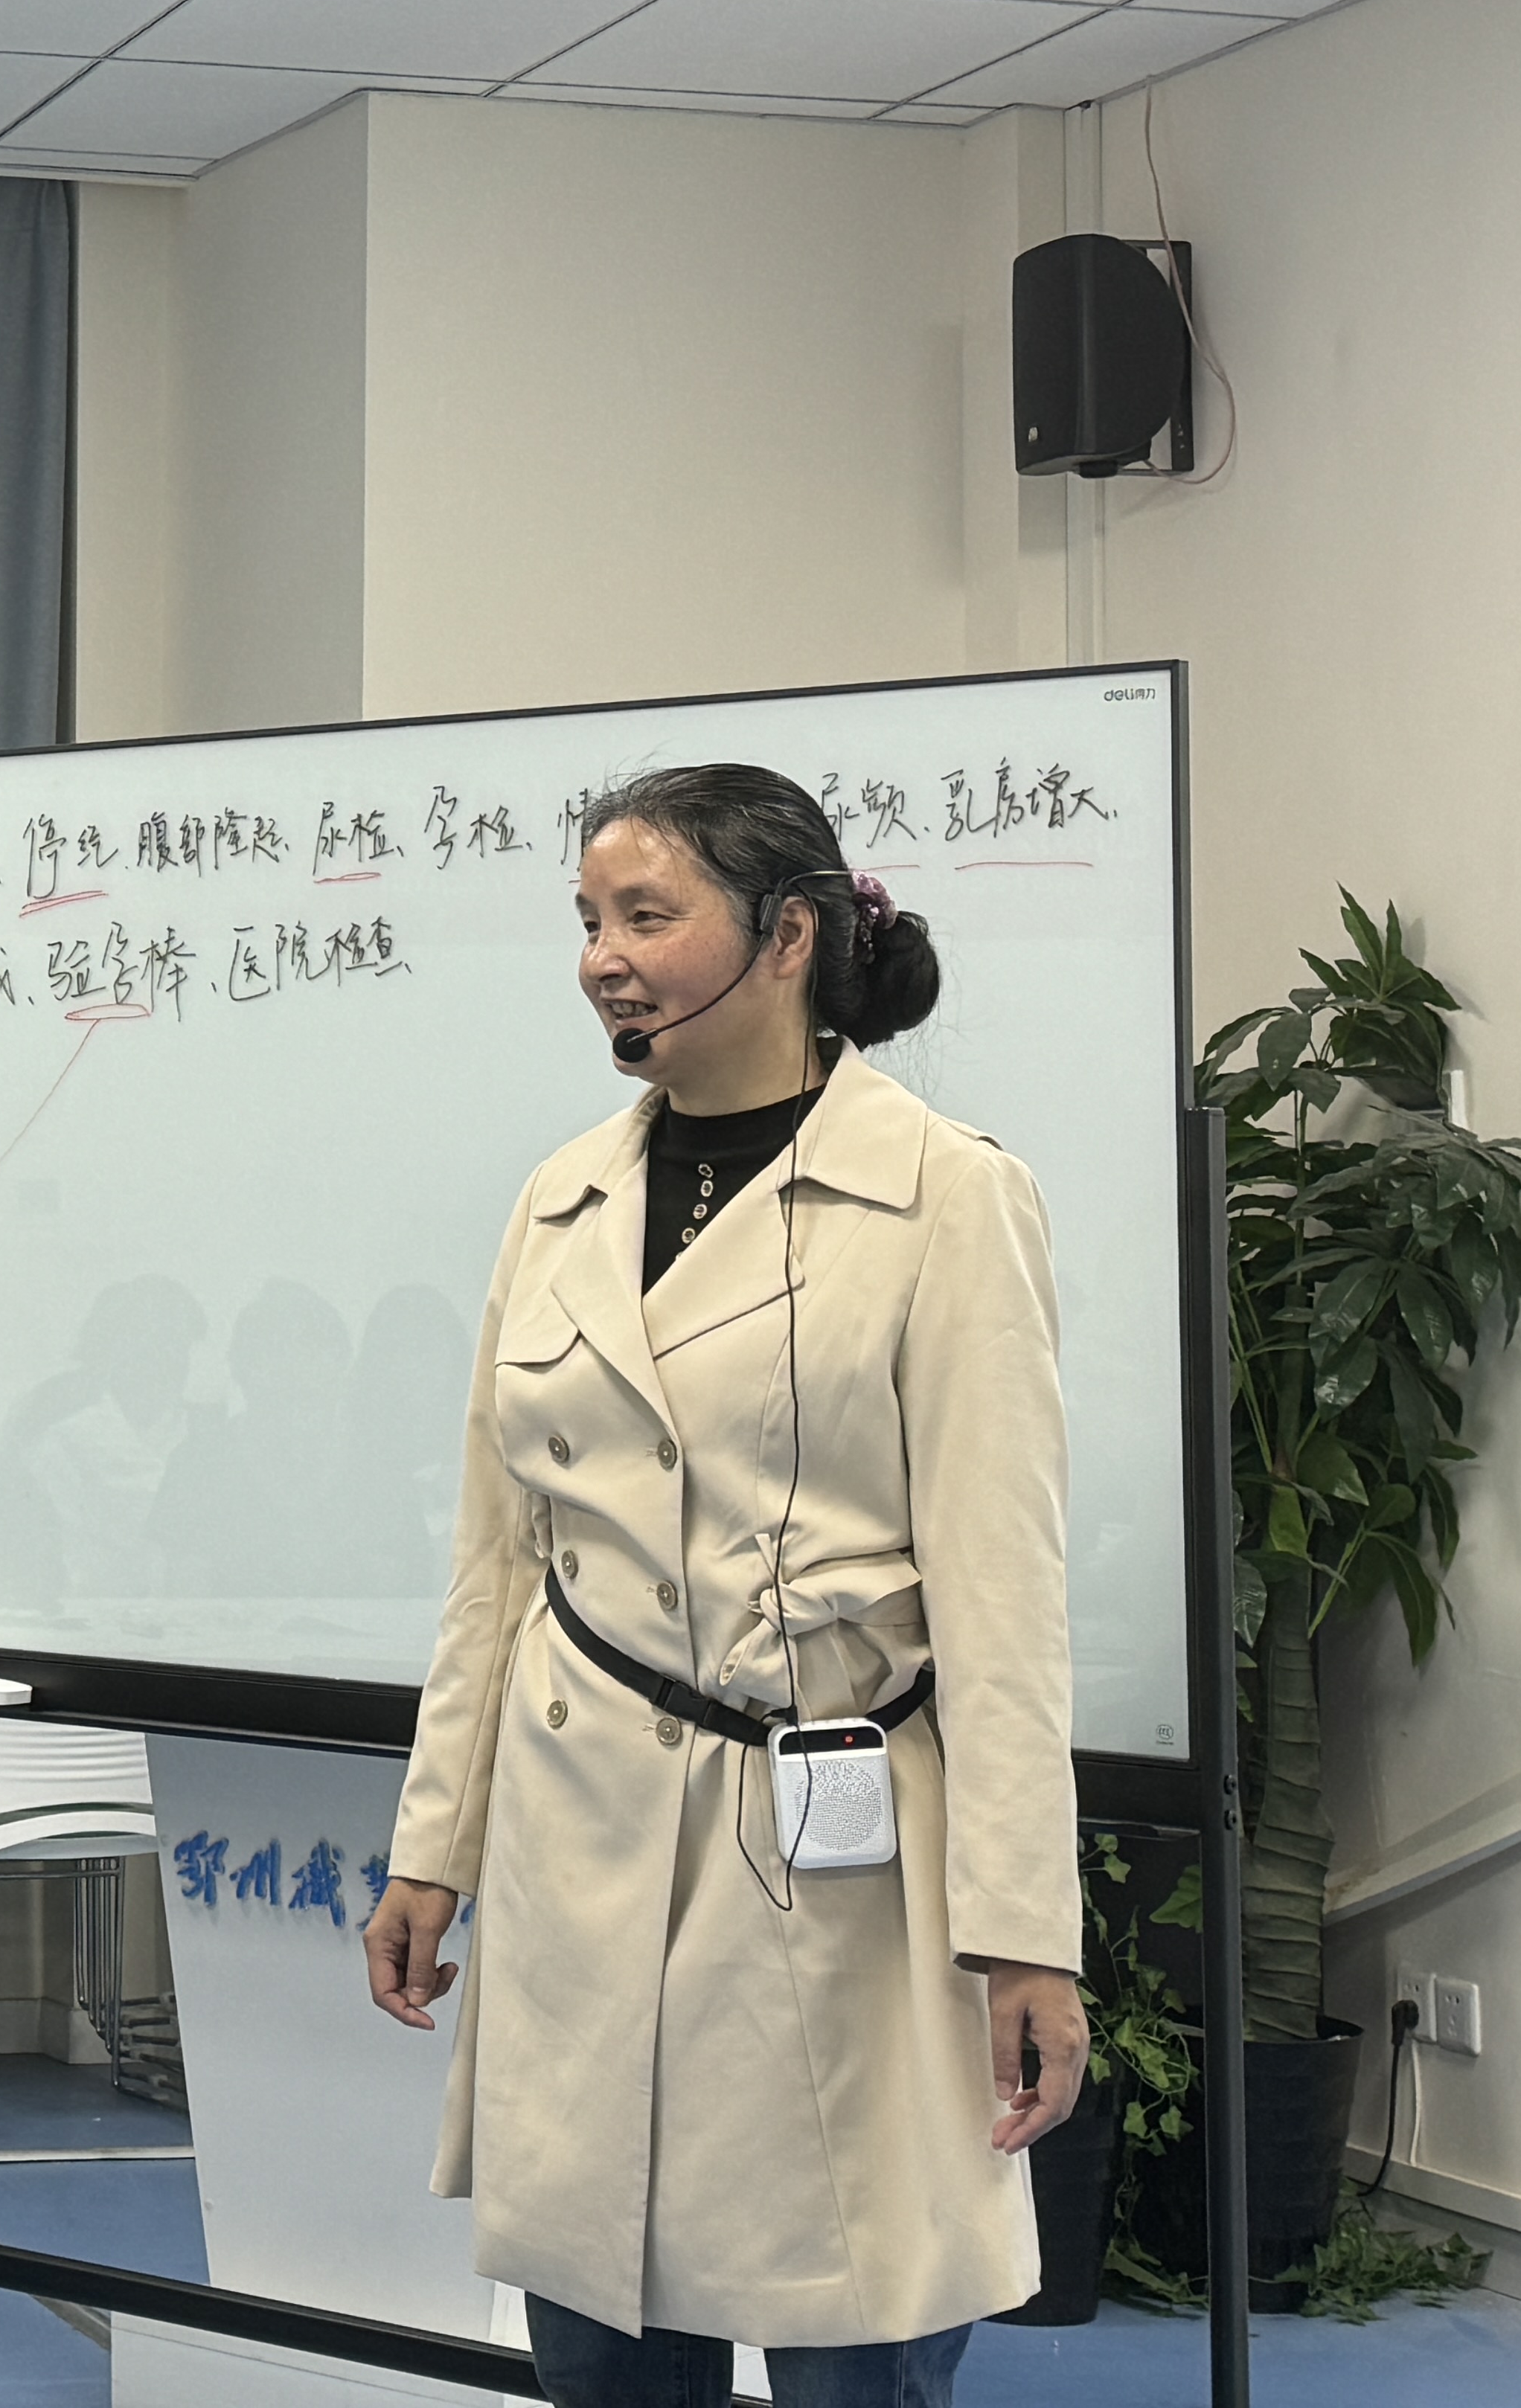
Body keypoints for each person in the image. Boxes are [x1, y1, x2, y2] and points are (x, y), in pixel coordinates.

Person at [358, 766, 1083, 2408]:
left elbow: (1005, 1599)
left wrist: (1027, 1938)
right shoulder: (561, 1198)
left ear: (788, 934)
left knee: (853, 2336)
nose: (603, 958)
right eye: (587, 920)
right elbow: (498, 1564)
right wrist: (433, 1844)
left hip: (832, 1849)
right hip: (577, 1837)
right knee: (601, 2344)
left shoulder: (947, 1193)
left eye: (646, 914)